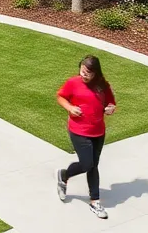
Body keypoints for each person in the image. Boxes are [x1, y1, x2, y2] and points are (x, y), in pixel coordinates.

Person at [55, 55, 116, 219]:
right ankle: (64, 175)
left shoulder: (103, 86)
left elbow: (111, 103)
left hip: (98, 132)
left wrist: (110, 108)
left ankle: (95, 201)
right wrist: (70, 107)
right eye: (82, 71)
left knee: (93, 165)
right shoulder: (73, 83)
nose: (83, 75)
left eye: (87, 72)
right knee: (87, 163)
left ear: (95, 73)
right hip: (78, 130)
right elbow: (60, 97)